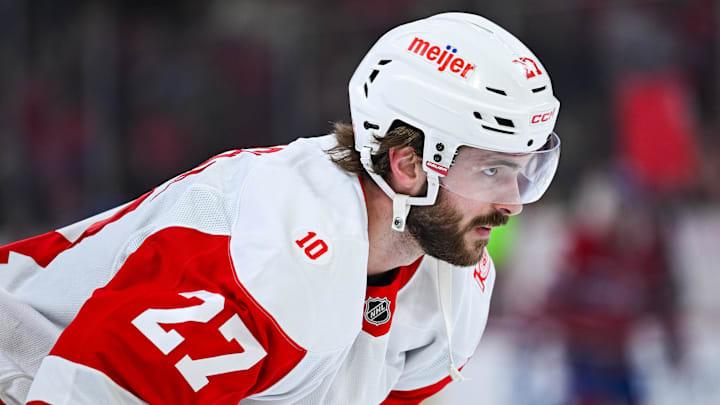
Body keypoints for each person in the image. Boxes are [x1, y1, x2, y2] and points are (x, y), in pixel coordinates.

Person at [0, 12, 561, 405]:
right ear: (408, 165)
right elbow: (78, 393)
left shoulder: (451, 278)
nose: (512, 203)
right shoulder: (264, 260)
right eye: (491, 170)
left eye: (523, 171)